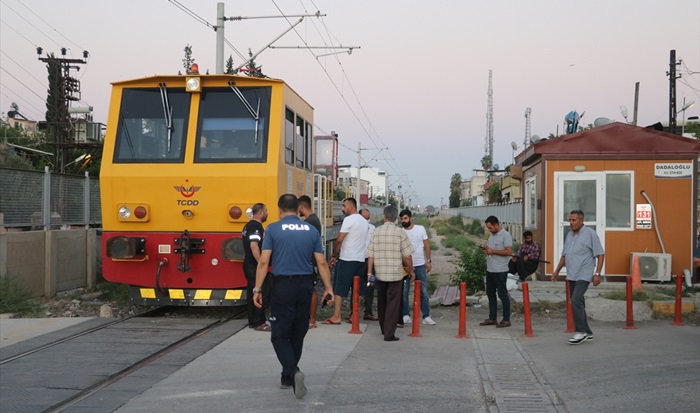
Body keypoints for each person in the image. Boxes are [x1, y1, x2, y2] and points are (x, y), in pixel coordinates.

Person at [253, 194, 334, 399]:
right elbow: (322, 262)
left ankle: (294, 371)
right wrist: (328, 288)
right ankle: (287, 377)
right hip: (305, 286)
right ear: (298, 209)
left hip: (283, 287)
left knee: (279, 334)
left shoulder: (272, 229)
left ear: (280, 210)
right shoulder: (312, 230)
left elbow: (263, 262)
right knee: (298, 333)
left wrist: (257, 289)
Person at [552, 209, 605, 345]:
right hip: (572, 274)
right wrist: (556, 271)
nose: (571, 222)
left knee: (575, 300)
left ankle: (580, 331)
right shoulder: (569, 235)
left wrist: (597, 274)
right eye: (569, 220)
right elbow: (564, 255)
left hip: (584, 273)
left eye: (573, 220)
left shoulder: (590, 234)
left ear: (581, 221)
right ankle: (588, 332)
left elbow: (600, 254)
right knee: (578, 302)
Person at [367, 205, 415, 342]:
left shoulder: (376, 232)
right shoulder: (400, 233)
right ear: (396, 218)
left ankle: (384, 328)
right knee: (393, 305)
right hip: (395, 275)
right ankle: (389, 334)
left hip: (380, 274)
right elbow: (407, 256)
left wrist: (369, 273)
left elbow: (370, 255)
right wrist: (410, 270)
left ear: (384, 216)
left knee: (381, 302)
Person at [325, 197, 368, 325]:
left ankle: (336, 316)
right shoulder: (364, 221)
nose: (342, 209)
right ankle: (354, 315)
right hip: (360, 260)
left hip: (347, 259)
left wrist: (333, 255)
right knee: (357, 289)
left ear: (350, 206)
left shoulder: (349, 220)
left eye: (344, 206)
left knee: (340, 288)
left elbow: (339, 239)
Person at [399, 209, 436, 326]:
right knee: (404, 292)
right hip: (405, 267)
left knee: (423, 292)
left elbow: (426, 245)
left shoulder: (420, 229)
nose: (403, 221)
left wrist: (428, 261)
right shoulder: (400, 232)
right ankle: (405, 315)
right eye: (401, 219)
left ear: (411, 218)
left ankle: (426, 316)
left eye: (405, 218)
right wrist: (404, 265)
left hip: (420, 265)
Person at [479, 215, 513, 328]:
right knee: (490, 294)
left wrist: (493, 251)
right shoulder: (491, 236)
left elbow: (508, 252)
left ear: (496, 225)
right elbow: (491, 249)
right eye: (488, 228)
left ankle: (506, 319)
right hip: (490, 269)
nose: (489, 230)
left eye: (490, 227)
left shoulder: (505, 235)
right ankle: (492, 318)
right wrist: (486, 249)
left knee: (502, 294)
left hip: (500, 270)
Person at [242, 203, 271, 331]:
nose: (267, 213)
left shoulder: (248, 226)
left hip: (248, 264)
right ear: (260, 212)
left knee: (252, 292)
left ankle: (253, 321)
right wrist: (261, 263)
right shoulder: (256, 226)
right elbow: (254, 245)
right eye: (266, 211)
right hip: (254, 266)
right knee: (260, 292)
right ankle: (260, 322)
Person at [298, 195, 323, 329]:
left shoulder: (310, 222)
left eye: (298, 208)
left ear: (302, 207)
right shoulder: (313, 220)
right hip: (310, 261)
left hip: (310, 262)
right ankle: (309, 318)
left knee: (311, 291)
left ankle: (312, 320)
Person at [359, 208, 378, 321]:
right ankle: (353, 312)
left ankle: (368, 312)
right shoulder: (355, 228)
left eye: (368, 217)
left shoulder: (373, 228)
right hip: (358, 260)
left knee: (371, 286)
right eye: (364, 217)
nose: (367, 219)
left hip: (370, 261)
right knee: (356, 286)